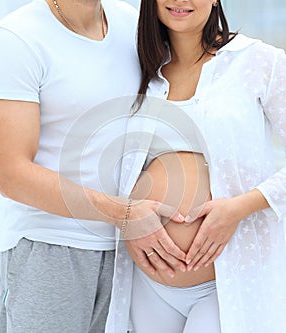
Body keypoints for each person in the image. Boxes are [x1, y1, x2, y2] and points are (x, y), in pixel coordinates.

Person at [0, 0, 188, 332]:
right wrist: (123, 212)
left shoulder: (135, 24)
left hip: (131, 253)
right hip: (50, 250)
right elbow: (12, 176)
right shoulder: (15, 39)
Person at [106, 0, 286, 332]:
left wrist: (238, 208)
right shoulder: (135, 71)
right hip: (145, 284)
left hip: (229, 281)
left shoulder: (258, 61)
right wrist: (127, 216)